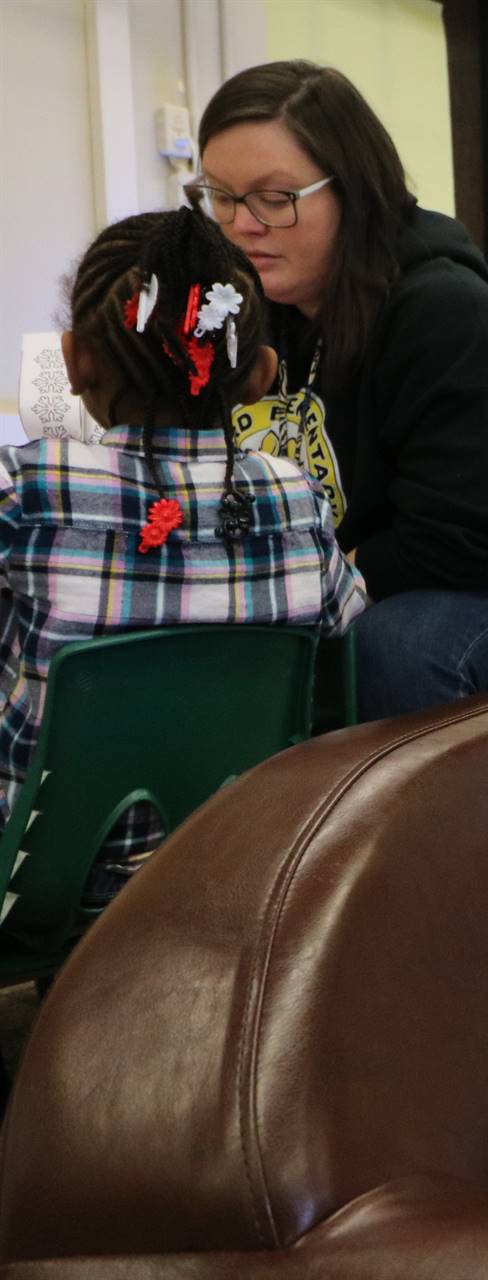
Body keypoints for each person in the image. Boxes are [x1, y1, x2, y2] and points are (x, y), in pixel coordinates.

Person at [192, 61, 488, 721]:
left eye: (274, 199)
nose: (242, 224)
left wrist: (303, 588)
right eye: (220, 196)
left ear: (354, 191)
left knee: (392, 648)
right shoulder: (259, 310)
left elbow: (459, 536)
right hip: (380, 572)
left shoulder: (441, 310)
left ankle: (412, 829)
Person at [10, 208, 365, 906]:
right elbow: (346, 622)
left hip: (40, 882)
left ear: (75, 358)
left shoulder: (33, 492)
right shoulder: (297, 498)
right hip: (239, 864)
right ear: (260, 374)